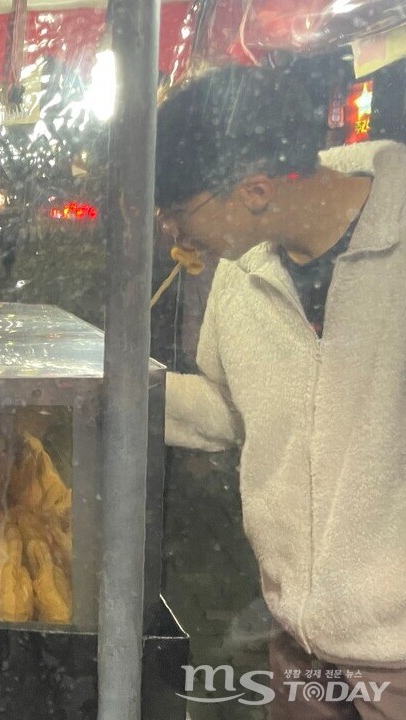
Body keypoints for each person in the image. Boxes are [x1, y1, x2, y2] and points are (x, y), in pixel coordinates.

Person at [157, 65, 406, 719]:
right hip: (298, 647)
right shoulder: (242, 274)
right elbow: (232, 409)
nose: (175, 238)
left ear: (256, 189)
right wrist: (121, 386)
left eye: (179, 216)